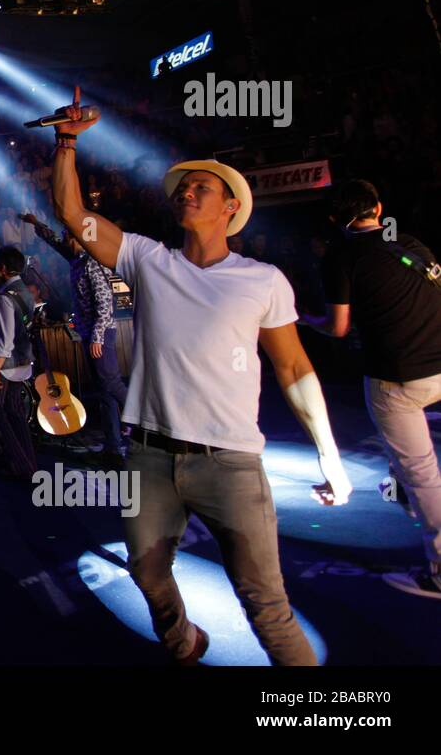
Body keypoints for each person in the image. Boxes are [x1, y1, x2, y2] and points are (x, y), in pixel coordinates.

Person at [51, 85, 352, 666]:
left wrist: (329, 454)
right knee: (145, 568)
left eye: (202, 187)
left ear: (229, 209)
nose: (187, 191)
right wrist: (65, 142)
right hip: (150, 454)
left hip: (230, 462)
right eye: (183, 187)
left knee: (265, 604)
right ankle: (182, 640)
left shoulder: (261, 279)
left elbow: (293, 366)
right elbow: (72, 214)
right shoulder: (146, 258)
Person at [302, 179, 441, 599]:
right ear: (378, 209)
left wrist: (303, 319)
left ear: (334, 219)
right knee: (409, 468)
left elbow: (338, 327)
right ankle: (399, 486)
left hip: (396, 376)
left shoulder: (341, 257)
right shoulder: (413, 244)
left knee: (422, 473)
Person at [23, 212, 128, 465]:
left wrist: (97, 337)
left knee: (111, 383)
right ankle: (113, 445)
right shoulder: (77, 258)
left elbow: (105, 302)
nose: (66, 241)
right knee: (104, 391)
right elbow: (54, 242)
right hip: (89, 332)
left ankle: (147, 423)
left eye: (69, 237)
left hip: (99, 333)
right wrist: (37, 224)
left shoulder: (93, 261)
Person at [0, 246, 36, 478]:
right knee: (15, 412)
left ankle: (22, 466)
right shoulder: (27, 292)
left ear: (2, 268)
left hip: (7, 364)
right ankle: (29, 464)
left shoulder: (5, 298)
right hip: (24, 361)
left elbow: (6, 340)